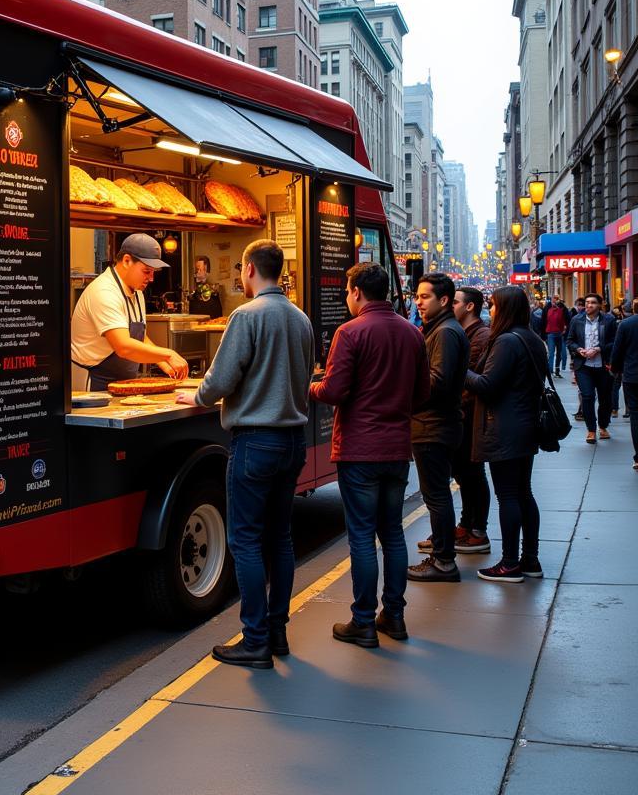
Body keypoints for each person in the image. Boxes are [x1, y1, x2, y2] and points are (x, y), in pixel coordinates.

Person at [177, 239, 314, 669]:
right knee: (281, 538)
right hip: (293, 439)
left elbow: (219, 380)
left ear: (250, 269)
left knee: (246, 541)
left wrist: (196, 396)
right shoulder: (301, 318)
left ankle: (254, 639)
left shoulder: (245, 315)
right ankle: (277, 631)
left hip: (255, 442)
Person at [310, 262, 429, 647]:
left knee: (361, 536)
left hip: (360, 449)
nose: (347, 297)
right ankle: (394, 615)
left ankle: (362, 621)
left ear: (357, 292)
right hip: (396, 448)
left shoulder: (350, 332)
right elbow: (423, 392)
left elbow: (333, 391)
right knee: (392, 532)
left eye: (347, 290)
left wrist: (308, 388)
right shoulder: (412, 333)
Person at [464, 285, 547, 582]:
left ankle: (510, 562)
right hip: (525, 426)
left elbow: (488, 385)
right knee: (524, 492)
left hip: (505, 427)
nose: (492, 310)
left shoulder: (507, 342)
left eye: (495, 305)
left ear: (506, 309)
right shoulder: (532, 338)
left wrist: (462, 368)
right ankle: (530, 559)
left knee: (509, 495)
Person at [71, 233, 189, 391]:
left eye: (154, 272)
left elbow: (138, 336)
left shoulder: (137, 291)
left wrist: (163, 364)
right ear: (126, 261)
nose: (152, 278)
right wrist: (167, 354)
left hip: (123, 382)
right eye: (147, 271)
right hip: (93, 382)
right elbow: (123, 346)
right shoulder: (104, 291)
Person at [409, 273, 469, 583]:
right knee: (437, 494)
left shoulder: (444, 332)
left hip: (434, 425)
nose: (418, 301)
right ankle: (441, 555)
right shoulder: (439, 329)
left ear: (443, 300)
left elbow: (439, 383)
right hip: (434, 424)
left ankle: (444, 561)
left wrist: (403, 388)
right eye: (417, 296)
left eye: (424, 296)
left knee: (436, 496)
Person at [451, 286, 492, 553]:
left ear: (469, 307)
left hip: (470, 416)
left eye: (454, 302)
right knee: (463, 473)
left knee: (473, 473)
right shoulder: (464, 333)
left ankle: (479, 529)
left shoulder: (481, 335)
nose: (450, 305)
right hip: (461, 414)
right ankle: (466, 523)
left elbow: (471, 376)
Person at [566, 292, 617, 444]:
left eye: (593, 303)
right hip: (584, 366)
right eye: (587, 302)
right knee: (587, 397)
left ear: (600, 305)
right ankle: (591, 430)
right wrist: (579, 350)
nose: (589, 305)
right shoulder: (576, 320)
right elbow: (569, 340)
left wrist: (599, 349)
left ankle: (603, 426)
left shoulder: (609, 320)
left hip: (603, 366)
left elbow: (614, 342)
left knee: (605, 398)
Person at [609, 298, 638, 470]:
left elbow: (617, 350)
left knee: (636, 414)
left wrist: (616, 369)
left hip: (633, 375)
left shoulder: (626, 325)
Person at [544, 295, 568, 378]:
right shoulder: (558, 311)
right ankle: (555, 370)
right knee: (557, 353)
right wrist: (561, 330)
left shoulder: (549, 310)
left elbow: (546, 320)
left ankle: (552, 371)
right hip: (557, 333)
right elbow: (562, 322)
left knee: (552, 353)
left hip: (551, 333)